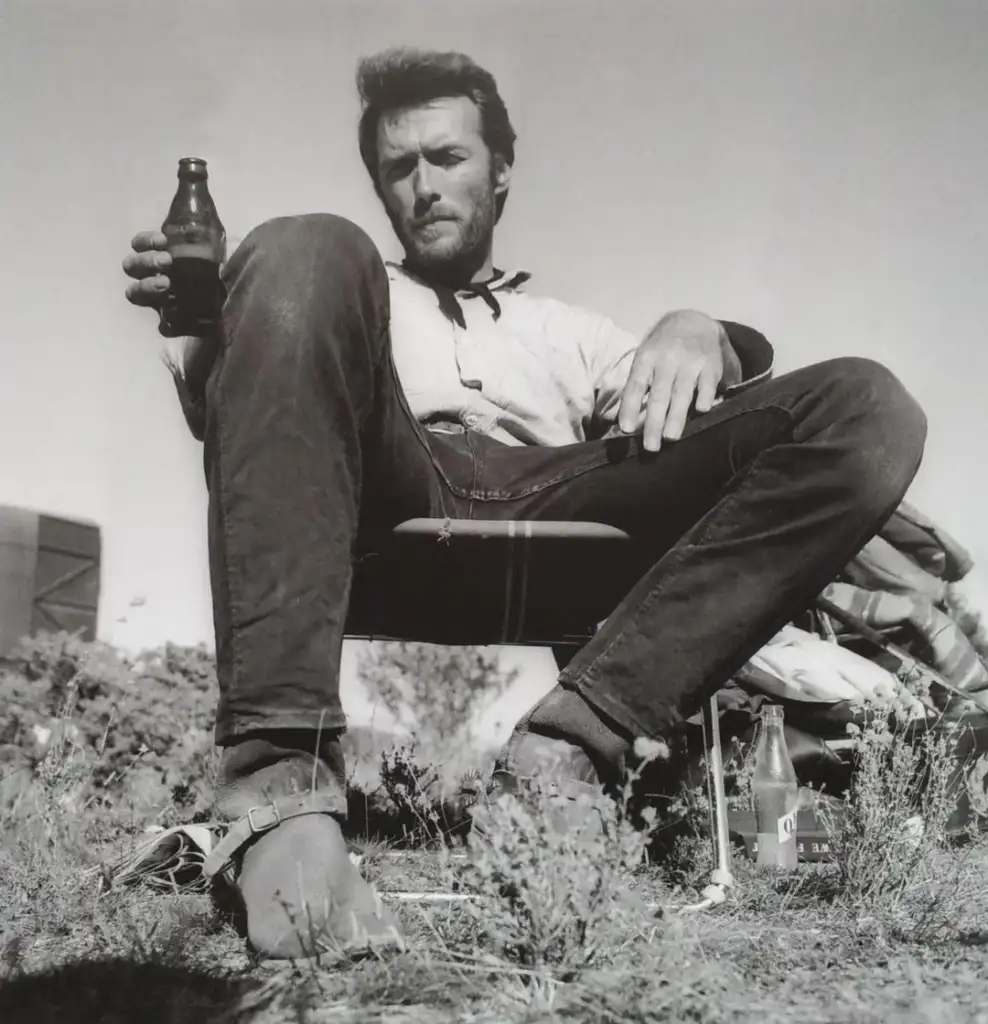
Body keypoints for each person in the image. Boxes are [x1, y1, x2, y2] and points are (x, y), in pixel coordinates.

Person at [121, 47, 927, 960]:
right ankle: (278, 801)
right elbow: (240, 408)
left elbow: (676, 404)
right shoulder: (343, 286)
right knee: (300, 243)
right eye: (398, 166)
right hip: (392, 494)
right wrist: (213, 325)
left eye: (448, 158)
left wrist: (702, 329)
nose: (423, 185)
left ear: (500, 169)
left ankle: (572, 751)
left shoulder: (568, 331)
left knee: (867, 405)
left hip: (562, 502)